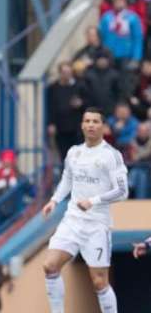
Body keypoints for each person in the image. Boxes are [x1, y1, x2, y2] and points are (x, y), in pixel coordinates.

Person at [42, 107, 128, 313]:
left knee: (99, 282)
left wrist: (94, 200)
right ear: (82, 125)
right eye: (87, 121)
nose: (90, 125)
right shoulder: (74, 152)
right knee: (50, 266)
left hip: (97, 225)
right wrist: (54, 200)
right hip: (72, 220)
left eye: (95, 121)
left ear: (104, 127)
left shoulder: (111, 155)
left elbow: (122, 191)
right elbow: (67, 179)